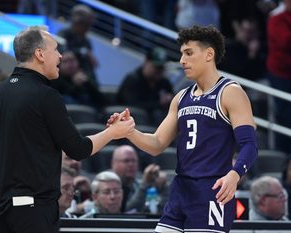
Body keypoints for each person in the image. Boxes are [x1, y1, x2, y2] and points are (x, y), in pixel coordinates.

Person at [0, 26, 134, 233]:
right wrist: (113, 132)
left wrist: (2, 196)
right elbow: (78, 149)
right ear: (39, 54)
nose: (60, 56)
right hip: (33, 214)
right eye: (56, 49)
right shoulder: (45, 95)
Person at [108, 25, 258, 232]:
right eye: (181, 54)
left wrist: (234, 174)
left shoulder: (230, 92)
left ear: (209, 54)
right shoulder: (180, 98)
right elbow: (157, 144)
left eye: (188, 53)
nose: (182, 61)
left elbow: (249, 144)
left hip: (212, 190)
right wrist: (129, 132)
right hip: (181, 189)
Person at [117, 47, 174, 126]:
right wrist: (159, 104)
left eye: (161, 68)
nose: (159, 71)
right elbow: (131, 106)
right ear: (146, 62)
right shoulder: (133, 79)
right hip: (130, 123)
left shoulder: (164, 82)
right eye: (156, 67)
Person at [266, 0, 291, 154]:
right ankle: (283, 152)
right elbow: (285, 42)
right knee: (283, 113)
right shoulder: (276, 17)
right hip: (280, 72)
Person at [58, 4, 99, 86]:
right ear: (78, 23)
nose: (88, 29)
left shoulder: (85, 39)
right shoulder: (64, 34)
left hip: (84, 75)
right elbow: (65, 55)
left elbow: (93, 62)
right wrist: (83, 52)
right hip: (67, 78)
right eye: (86, 25)